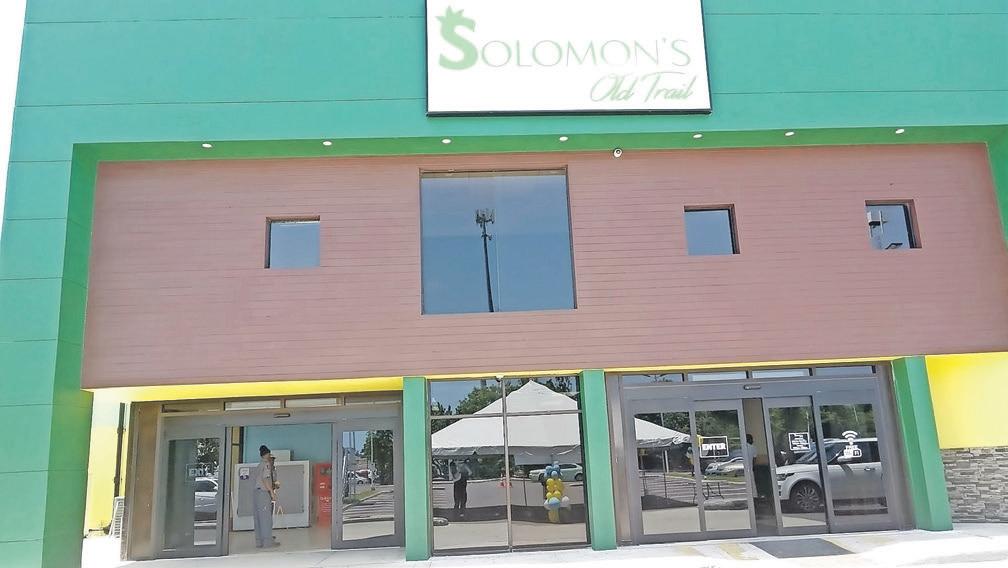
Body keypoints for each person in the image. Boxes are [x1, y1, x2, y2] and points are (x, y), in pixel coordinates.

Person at [253, 445, 280, 548]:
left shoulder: (259, 465)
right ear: (267, 454)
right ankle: (268, 542)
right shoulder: (266, 465)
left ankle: (259, 541)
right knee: (266, 518)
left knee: (258, 518)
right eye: (270, 456)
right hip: (263, 494)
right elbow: (265, 479)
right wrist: (272, 493)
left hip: (256, 493)